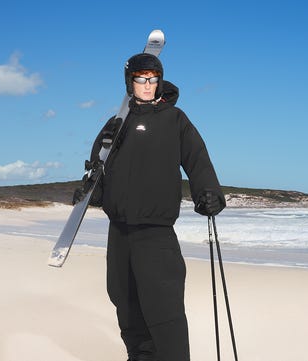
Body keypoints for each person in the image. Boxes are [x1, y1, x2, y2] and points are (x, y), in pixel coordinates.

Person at [74, 53, 226, 361]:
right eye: (142, 79)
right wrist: (90, 190)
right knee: (123, 299)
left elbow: (197, 160)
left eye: (153, 79)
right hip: (119, 231)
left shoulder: (175, 119)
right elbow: (99, 167)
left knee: (163, 306)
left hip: (155, 233)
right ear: (130, 82)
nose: (148, 85)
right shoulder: (116, 124)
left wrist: (209, 193)